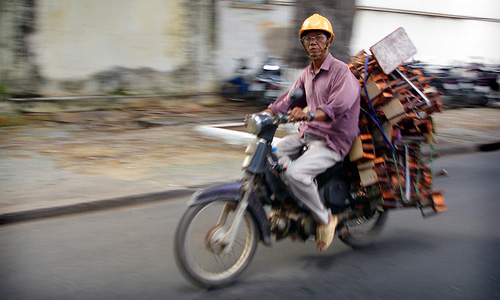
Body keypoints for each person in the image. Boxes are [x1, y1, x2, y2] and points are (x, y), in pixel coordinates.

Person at [257, 14, 361, 252]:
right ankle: (289, 202)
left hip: (332, 141)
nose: (313, 42)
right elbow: (287, 100)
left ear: (328, 42)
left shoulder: (341, 72)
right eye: (308, 38)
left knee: (295, 173)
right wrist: (265, 114)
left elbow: (337, 106)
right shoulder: (307, 74)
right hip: (308, 135)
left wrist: (308, 114)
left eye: (318, 37)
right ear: (303, 44)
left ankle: (325, 219)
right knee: (270, 155)